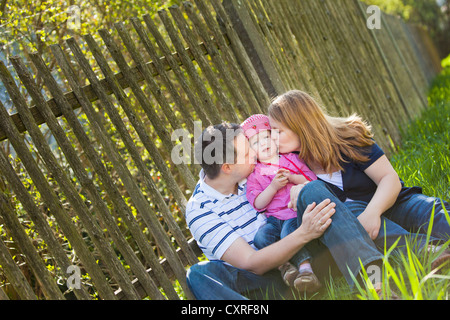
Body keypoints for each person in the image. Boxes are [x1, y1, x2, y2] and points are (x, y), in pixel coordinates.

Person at [185, 122, 384, 300]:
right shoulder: (200, 210)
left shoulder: (251, 171)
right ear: (227, 167)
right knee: (198, 274)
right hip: (269, 280)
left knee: (328, 198)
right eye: (247, 154)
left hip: (306, 255)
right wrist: (304, 233)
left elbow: (293, 169)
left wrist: (300, 190)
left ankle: (374, 282)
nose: (254, 154)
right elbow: (252, 263)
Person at [267, 89, 450, 269]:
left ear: (300, 125)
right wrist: (299, 189)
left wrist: (373, 212)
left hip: (394, 203)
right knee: (351, 210)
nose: (272, 138)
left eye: (278, 131)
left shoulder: (349, 135)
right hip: (357, 229)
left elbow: (389, 178)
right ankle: (428, 251)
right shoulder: (290, 166)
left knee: (432, 212)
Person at [241, 114, 320, 293]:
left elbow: (311, 180)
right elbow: (258, 203)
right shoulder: (254, 175)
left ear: (273, 137)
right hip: (274, 218)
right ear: (251, 151)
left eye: (265, 137)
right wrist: (273, 187)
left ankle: (306, 269)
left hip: (294, 213)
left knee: (288, 234)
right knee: (261, 238)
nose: (262, 143)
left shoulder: (291, 159)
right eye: (255, 142)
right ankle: (284, 266)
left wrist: (292, 177)